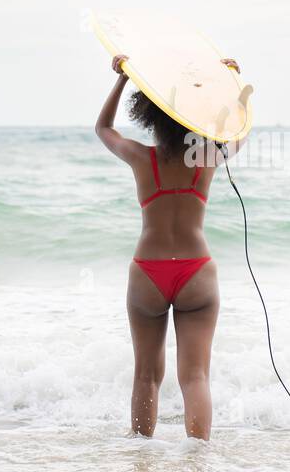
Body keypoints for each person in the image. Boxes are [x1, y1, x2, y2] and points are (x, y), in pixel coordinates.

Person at [95, 53, 243, 440]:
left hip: (148, 271)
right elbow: (239, 131)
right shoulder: (208, 157)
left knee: (146, 374)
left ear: (150, 118)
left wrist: (123, 79)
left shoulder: (141, 158)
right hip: (197, 270)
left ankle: (142, 458)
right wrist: (229, 85)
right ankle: (199, 461)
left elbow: (103, 128)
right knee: (195, 376)